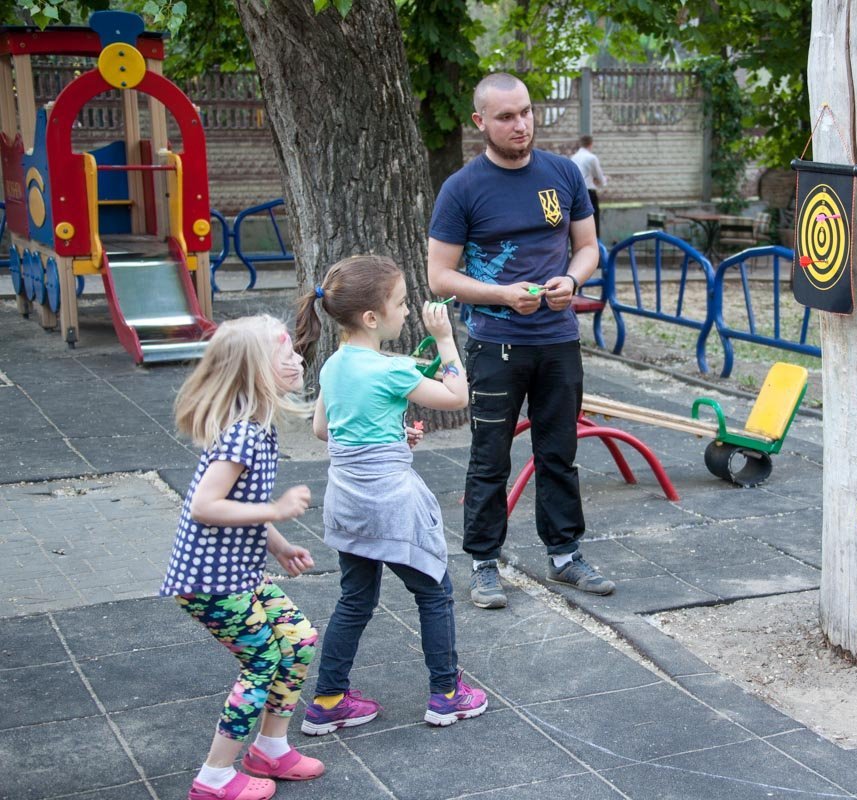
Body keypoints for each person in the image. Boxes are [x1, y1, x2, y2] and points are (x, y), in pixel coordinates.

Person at [427, 72, 615, 610]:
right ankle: (485, 564)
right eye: (506, 116)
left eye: (526, 112)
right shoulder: (462, 188)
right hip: (495, 342)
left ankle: (565, 556)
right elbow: (440, 276)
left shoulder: (561, 173)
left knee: (559, 452)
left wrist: (572, 281)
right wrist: (502, 294)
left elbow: (587, 248)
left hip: (557, 339)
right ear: (480, 122)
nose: (520, 124)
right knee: (490, 459)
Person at [294, 255, 488, 731]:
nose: (407, 312)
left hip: (348, 502)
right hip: (391, 504)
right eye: (401, 304)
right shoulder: (393, 370)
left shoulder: (334, 367)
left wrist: (393, 436)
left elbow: (324, 430)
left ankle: (327, 700)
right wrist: (445, 341)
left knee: (355, 600)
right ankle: (446, 694)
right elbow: (458, 397)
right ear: (371, 318)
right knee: (434, 592)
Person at [160, 315, 323, 800]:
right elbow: (206, 507)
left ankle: (270, 747)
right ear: (255, 370)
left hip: (238, 574)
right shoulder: (242, 436)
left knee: (298, 638)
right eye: (285, 353)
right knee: (261, 660)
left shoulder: (257, 428)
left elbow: (241, 504)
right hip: (210, 582)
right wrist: (275, 509)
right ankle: (214, 776)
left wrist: (277, 543)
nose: (296, 359)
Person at [570, 134, 608, 240]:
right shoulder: (592, 158)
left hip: (575, 194)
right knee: (593, 222)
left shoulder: (573, 158)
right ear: (591, 144)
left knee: (577, 222)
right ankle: (595, 247)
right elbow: (599, 177)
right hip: (589, 193)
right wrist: (603, 180)